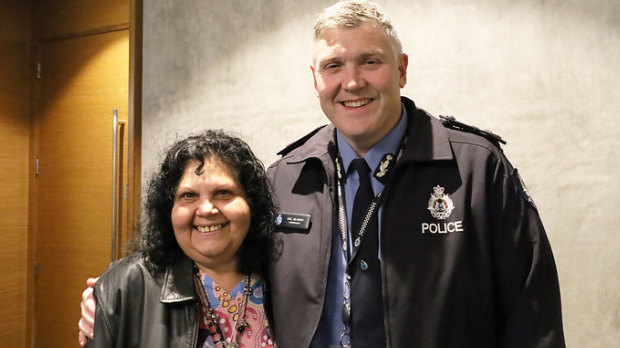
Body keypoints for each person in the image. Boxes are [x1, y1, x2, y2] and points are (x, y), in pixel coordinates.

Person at [80, 1, 566, 347]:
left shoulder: (476, 168)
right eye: (333, 65)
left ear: (400, 69)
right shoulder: (285, 177)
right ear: (315, 79)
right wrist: (116, 297)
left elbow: (534, 316)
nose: (351, 82)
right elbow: (220, 255)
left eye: (370, 62)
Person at [82, 130, 277, 347]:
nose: (206, 209)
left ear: (252, 203)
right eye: (188, 196)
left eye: (223, 193)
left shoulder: (283, 278)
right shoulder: (126, 285)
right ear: (169, 210)